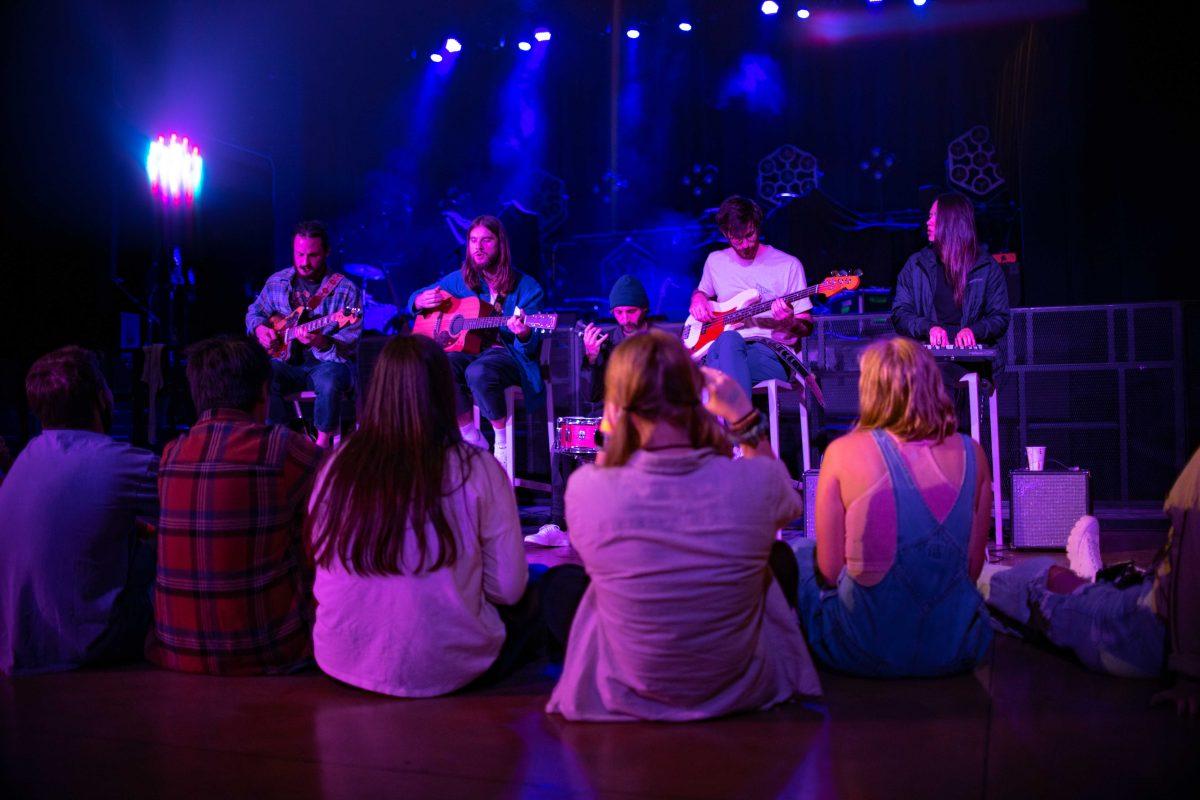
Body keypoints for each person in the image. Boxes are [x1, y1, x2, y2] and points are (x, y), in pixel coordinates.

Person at [546, 330, 822, 721]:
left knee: (563, 587)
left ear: (617, 406)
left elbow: (608, 470)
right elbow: (788, 501)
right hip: (738, 686)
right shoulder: (753, 482)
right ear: (697, 393)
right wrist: (743, 414)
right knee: (778, 558)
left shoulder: (587, 489)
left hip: (629, 686)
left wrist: (610, 429)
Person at [307, 334, 550, 696]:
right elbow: (508, 589)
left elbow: (320, 559)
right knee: (550, 586)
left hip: (340, 658)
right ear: (445, 392)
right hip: (448, 668)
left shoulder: (337, 464)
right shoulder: (477, 467)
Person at [795, 336, 993, 677]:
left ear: (870, 390)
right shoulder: (973, 452)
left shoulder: (842, 451)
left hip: (860, 650)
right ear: (933, 384)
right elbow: (972, 570)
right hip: (955, 649)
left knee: (800, 554)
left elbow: (829, 571)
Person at [146, 335, 323, 675]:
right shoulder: (283, 448)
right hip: (268, 650)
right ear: (263, 391)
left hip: (175, 650)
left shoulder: (172, 452)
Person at [986, 448, 1200, 718]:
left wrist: (1190, 673)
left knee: (1037, 577)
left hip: (1140, 631)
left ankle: (1090, 575)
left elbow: (1190, 569)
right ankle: (1094, 574)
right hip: (1151, 614)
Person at [0, 347, 158, 675]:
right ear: (102, 397)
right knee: (171, 542)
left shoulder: (26, 458)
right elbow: (195, 495)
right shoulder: (122, 462)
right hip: (88, 647)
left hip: (22, 646)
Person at [408, 215, 546, 469]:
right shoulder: (459, 280)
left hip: (507, 356)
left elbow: (532, 343)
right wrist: (418, 302)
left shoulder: (527, 287)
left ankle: (501, 443)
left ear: (500, 244)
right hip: (470, 352)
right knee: (442, 364)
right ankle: (470, 436)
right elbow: (417, 297)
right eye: (473, 241)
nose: (478, 247)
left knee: (478, 371)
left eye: (486, 241)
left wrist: (524, 332)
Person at [535, 274, 653, 542]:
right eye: (619, 312)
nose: (625, 319)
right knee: (565, 437)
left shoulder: (659, 340)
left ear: (644, 309)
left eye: (631, 311)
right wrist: (591, 358)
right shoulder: (605, 340)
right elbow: (592, 397)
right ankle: (557, 524)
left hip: (647, 419)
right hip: (608, 419)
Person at [890, 191, 1010, 422]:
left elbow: (1000, 317)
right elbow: (900, 313)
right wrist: (929, 328)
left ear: (951, 222)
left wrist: (973, 331)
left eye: (934, 216)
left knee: (943, 380)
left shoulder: (986, 267)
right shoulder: (916, 264)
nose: (928, 222)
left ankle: (952, 447)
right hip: (927, 358)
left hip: (970, 362)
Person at [247, 220, 363, 448]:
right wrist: (261, 329)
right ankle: (281, 442)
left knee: (330, 380)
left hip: (328, 364)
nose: (304, 262)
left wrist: (320, 341)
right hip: (287, 364)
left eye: (313, 256)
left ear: (327, 252)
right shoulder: (277, 282)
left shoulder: (346, 291)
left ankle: (319, 449)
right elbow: (254, 312)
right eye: (299, 254)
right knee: (261, 373)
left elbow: (351, 343)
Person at [689, 195, 813, 398]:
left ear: (757, 225)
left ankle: (730, 424)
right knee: (728, 342)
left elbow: (807, 326)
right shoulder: (715, 261)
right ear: (724, 233)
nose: (745, 244)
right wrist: (698, 298)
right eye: (737, 239)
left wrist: (790, 322)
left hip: (770, 354)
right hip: (722, 348)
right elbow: (702, 291)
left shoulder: (788, 265)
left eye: (750, 234)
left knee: (706, 374)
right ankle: (744, 425)